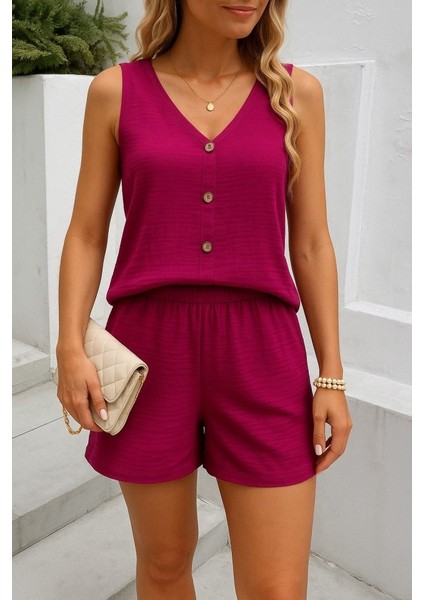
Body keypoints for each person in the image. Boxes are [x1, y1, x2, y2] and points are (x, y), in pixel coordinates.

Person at [55, 0, 353, 598]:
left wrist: (331, 375)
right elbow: (86, 232)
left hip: (262, 354)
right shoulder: (116, 92)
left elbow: (312, 244)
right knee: (164, 565)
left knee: (276, 587)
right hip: (149, 352)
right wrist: (68, 345)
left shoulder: (298, 95)